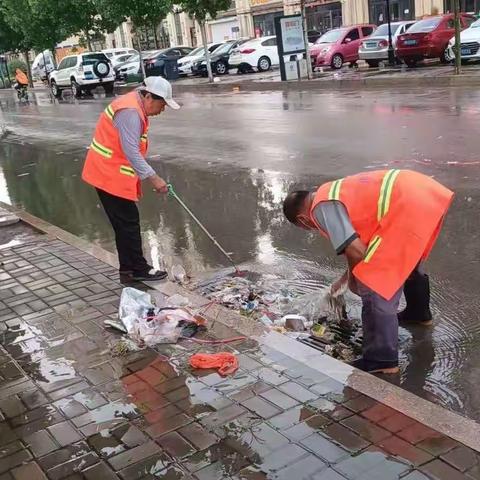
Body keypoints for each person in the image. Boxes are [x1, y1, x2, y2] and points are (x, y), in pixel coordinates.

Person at [283, 169, 453, 374]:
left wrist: (357, 279)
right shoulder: (329, 193)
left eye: (305, 227)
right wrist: (345, 278)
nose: (311, 228)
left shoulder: (320, 208)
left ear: (302, 220)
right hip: (423, 193)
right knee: (404, 257)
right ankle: (418, 314)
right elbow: (359, 246)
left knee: (373, 281)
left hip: (408, 202)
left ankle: (381, 361)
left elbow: (356, 250)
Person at [82, 76, 180, 281]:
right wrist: (155, 178)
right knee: (129, 223)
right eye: (162, 104)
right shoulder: (131, 113)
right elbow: (132, 152)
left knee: (124, 224)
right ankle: (138, 269)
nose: (162, 110)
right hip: (108, 174)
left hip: (109, 173)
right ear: (148, 97)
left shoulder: (134, 105)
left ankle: (127, 270)